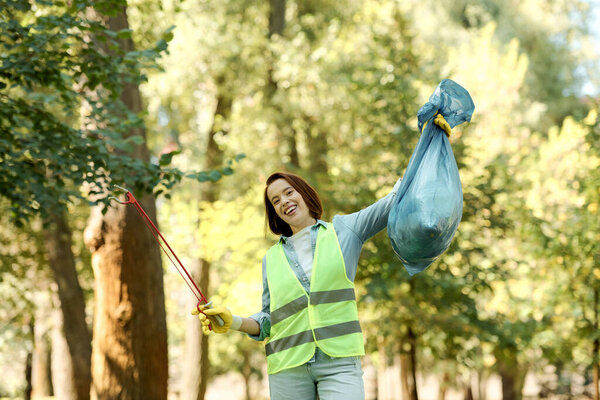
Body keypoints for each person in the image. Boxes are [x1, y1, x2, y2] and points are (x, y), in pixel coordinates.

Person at [194, 171, 401, 400]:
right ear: (275, 213)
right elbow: (268, 320)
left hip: (339, 363)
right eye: (276, 201)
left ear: (304, 193)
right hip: (287, 370)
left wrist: (430, 141)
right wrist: (232, 321)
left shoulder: (344, 231)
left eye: (288, 192)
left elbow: (392, 200)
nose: (284, 201)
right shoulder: (271, 259)